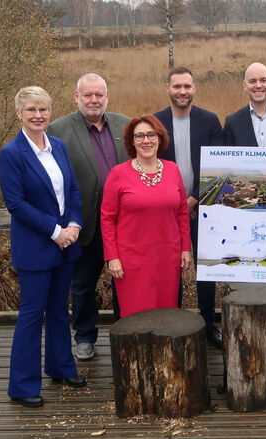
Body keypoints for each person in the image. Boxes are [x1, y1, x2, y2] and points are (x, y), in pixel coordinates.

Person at [0, 86, 87, 408]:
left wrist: (74, 225)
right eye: (31, 110)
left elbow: (73, 191)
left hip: (65, 244)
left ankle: (62, 368)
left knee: (60, 312)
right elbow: (16, 204)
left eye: (43, 110)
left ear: (50, 112)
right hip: (36, 247)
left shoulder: (58, 147)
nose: (38, 116)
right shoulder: (11, 154)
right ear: (19, 113)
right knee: (32, 315)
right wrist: (55, 231)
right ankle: (22, 386)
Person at [48, 73, 131, 360]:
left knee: (125, 284)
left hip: (124, 225)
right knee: (82, 286)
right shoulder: (58, 129)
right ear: (77, 97)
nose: (94, 100)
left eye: (99, 94)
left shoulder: (126, 124)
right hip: (83, 225)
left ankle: (126, 333)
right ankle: (84, 336)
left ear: (107, 96)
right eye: (88, 95)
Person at [154, 66, 224, 349]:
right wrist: (175, 203)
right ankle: (174, 322)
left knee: (205, 269)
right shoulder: (156, 122)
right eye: (176, 86)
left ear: (194, 88)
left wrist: (194, 199)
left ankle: (208, 323)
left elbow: (218, 168)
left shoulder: (209, 121)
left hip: (202, 207)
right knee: (171, 268)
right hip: (167, 210)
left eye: (187, 86)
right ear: (167, 89)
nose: (182, 91)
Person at [101, 115, 192, 318]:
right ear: (132, 142)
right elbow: (107, 218)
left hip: (168, 257)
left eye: (151, 135)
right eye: (139, 136)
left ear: (160, 138)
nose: (146, 140)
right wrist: (112, 257)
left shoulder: (173, 169)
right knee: (135, 316)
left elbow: (182, 213)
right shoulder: (118, 174)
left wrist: (186, 248)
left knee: (167, 315)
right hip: (132, 260)